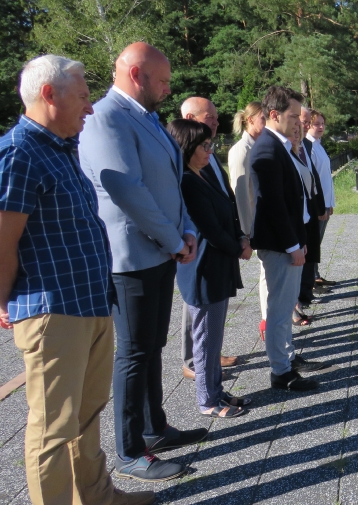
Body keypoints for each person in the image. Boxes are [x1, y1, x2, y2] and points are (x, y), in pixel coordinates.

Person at [0, 55, 154, 505]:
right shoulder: (19, 153)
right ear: (49, 94)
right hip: (53, 312)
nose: (90, 107)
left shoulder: (61, 150)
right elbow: (3, 242)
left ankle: (96, 496)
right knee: (53, 427)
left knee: (86, 416)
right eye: (84, 96)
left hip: (89, 303)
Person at [79, 41, 206, 482]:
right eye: (163, 81)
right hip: (131, 258)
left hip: (161, 250)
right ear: (136, 75)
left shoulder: (145, 117)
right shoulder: (105, 119)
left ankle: (154, 428)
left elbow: (171, 183)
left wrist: (186, 229)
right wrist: (174, 238)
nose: (169, 90)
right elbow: (127, 190)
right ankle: (129, 451)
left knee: (152, 346)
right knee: (133, 354)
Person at [168, 119, 252, 418]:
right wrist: (239, 248)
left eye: (210, 144)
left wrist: (241, 236)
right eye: (204, 145)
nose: (210, 150)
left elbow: (227, 211)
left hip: (216, 267)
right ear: (187, 147)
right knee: (205, 340)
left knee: (214, 337)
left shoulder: (202, 175)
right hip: (203, 270)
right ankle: (208, 401)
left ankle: (216, 390)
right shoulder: (186, 182)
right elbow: (210, 228)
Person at [250, 86, 320, 391]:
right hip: (280, 245)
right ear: (274, 115)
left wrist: (300, 239)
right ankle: (281, 371)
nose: (299, 123)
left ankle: (287, 360)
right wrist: (292, 245)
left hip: (290, 239)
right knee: (279, 312)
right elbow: (273, 204)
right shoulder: (267, 148)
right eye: (293, 116)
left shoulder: (280, 145)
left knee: (285, 305)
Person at [178, 97, 240, 381]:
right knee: (196, 308)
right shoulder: (187, 162)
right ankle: (195, 362)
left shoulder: (209, 152)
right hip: (201, 251)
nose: (215, 122)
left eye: (215, 117)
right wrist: (235, 245)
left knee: (210, 316)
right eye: (209, 117)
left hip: (219, 246)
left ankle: (210, 357)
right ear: (190, 119)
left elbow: (224, 193)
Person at [227, 102, 269, 341]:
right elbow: (241, 195)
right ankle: (267, 321)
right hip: (255, 225)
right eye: (263, 118)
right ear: (250, 120)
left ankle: (272, 319)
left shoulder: (258, 145)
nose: (267, 123)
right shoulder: (241, 150)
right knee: (267, 275)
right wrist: (246, 234)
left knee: (270, 273)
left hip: (264, 221)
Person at [292, 106, 328, 332]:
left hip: (310, 210)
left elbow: (315, 178)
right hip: (297, 216)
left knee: (311, 252)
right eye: (304, 121)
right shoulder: (288, 146)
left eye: (307, 122)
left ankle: (304, 293)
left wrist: (322, 205)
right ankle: (296, 302)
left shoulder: (306, 145)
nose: (304, 126)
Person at [303, 109, 337, 288]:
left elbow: (325, 178)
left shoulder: (318, 144)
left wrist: (330, 203)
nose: (321, 127)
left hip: (325, 202)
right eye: (317, 124)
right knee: (313, 242)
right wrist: (319, 206)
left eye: (323, 124)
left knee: (318, 241)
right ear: (308, 125)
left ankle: (314, 274)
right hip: (317, 204)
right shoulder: (308, 146)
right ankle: (312, 278)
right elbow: (313, 181)